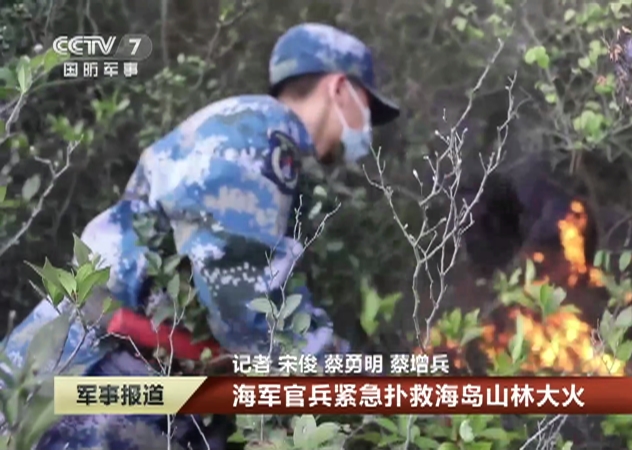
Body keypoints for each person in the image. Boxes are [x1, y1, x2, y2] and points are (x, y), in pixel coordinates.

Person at [0, 22, 399, 450]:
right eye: (367, 108)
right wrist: (359, 377)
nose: (367, 129)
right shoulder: (256, 137)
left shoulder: (253, 136)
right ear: (340, 89)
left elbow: (259, 280)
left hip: (104, 367)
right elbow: (244, 305)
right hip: (86, 370)